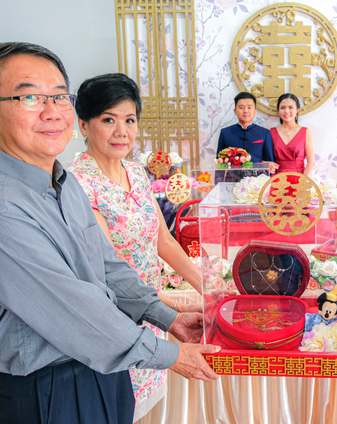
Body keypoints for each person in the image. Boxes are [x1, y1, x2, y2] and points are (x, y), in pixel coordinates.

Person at [0, 42, 220, 424]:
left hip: (105, 368)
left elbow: (106, 265)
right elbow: (74, 309)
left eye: (59, 96)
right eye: (29, 97)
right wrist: (172, 355)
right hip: (51, 387)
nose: (51, 111)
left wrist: (167, 318)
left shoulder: (62, 183)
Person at [68, 73, 203, 422]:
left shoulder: (136, 172)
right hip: (115, 316)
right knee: (116, 408)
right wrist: (166, 305)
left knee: (145, 409)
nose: (121, 131)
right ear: (83, 125)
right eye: (108, 120)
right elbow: (106, 264)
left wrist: (207, 285)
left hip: (152, 315)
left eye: (129, 120)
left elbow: (164, 241)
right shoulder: (78, 183)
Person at [217, 91, 278, 172]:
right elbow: (219, 163)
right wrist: (218, 184)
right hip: (232, 179)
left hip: (257, 180)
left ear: (255, 111)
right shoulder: (225, 133)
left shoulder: (264, 133)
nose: (246, 111)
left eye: (249, 107)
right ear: (235, 111)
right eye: (241, 107)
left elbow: (269, 164)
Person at [270, 93, 315, 174]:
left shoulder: (306, 132)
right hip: (277, 179)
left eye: (291, 107)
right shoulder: (271, 132)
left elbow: (311, 163)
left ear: (297, 109)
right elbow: (264, 158)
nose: (286, 111)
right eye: (283, 108)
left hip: (299, 178)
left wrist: (302, 182)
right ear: (278, 110)